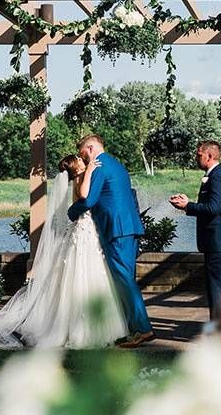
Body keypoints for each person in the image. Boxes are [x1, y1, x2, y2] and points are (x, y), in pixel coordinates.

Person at [0, 154, 127, 348]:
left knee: (90, 273)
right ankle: (82, 330)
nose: (84, 161)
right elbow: (86, 197)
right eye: (80, 161)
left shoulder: (80, 177)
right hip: (82, 231)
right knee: (80, 274)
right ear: (76, 168)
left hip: (87, 231)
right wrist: (89, 171)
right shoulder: (81, 179)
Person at [69, 135, 153, 348]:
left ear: (90, 148)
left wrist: (70, 212)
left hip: (116, 230)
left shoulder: (99, 166)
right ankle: (130, 329)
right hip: (127, 228)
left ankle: (143, 329)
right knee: (125, 279)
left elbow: (88, 200)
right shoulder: (117, 165)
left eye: (83, 154)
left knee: (124, 280)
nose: (84, 159)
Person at [170, 140, 221, 320]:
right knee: (214, 288)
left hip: (220, 242)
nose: (196, 157)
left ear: (209, 156)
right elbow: (210, 206)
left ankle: (219, 332)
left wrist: (188, 206)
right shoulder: (212, 176)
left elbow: (213, 208)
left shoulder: (219, 177)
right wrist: (188, 203)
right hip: (214, 242)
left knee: (218, 289)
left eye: (199, 154)